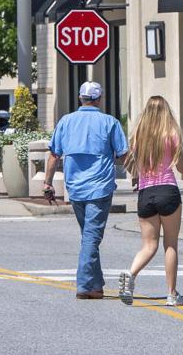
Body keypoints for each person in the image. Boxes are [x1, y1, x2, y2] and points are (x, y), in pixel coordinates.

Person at [43, 81, 128, 299]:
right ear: (99, 99)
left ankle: (95, 285)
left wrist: (47, 183)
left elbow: (54, 155)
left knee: (89, 236)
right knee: (91, 237)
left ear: (80, 98)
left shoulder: (66, 121)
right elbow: (123, 154)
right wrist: (137, 175)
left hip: (76, 188)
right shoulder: (110, 122)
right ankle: (84, 284)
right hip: (100, 188)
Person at [118, 96, 183, 307]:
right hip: (167, 190)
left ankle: (131, 274)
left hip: (146, 192)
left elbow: (130, 166)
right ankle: (171, 294)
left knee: (149, 245)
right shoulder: (172, 134)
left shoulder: (138, 137)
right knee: (170, 244)